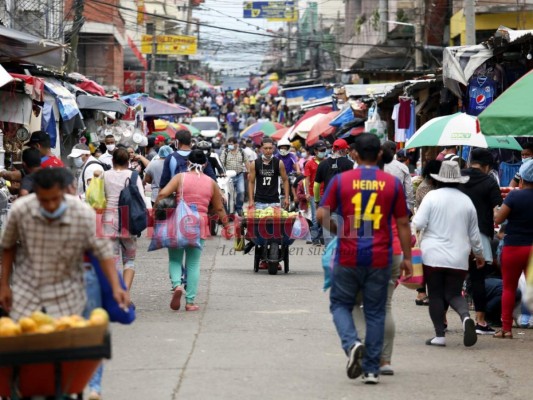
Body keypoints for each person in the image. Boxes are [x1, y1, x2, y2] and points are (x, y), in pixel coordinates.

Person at [317, 133, 413, 385]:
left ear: (354, 155)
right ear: (380, 155)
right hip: (381, 256)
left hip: (348, 254)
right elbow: (403, 222)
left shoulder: (340, 181)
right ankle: (372, 369)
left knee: (340, 304)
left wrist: (340, 230)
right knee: (376, 311)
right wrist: (406, 257)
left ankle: (352, 344)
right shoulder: (391, 184)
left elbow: (320, 214)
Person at [0, 167, 129, 320]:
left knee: (67, 335)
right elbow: (8, 246)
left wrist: (116, 286)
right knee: (28, 337)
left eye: (55, 199)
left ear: (64, 192)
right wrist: (4, 285)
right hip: (27, 289)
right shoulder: (20, 210)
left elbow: (103, 252)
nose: (51, 205)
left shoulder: (82, 213)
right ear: (36, 195)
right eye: (44, 200)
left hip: (68, 292)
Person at [412, 160, 484, 348]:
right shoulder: (466, 201)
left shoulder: (432, 197)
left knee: (435, 294)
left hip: (432, 255)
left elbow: (418, 224)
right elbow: (474, 234)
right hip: (458, 256)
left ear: (439, 179)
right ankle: (465, 317)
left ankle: (439, 336)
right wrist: (479, 255)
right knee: (453, 293)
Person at [156, 150, 230, 312]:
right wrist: (227, 226)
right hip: (200, 222)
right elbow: (218, 207)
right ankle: (190, 302)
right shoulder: (211, 183)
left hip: (179, 221)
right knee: (193, 263)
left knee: (175, 260)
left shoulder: (179, 177)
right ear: (205, 164)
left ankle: (176, 285)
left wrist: (156, 210)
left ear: (188, 162)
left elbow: (162, 193)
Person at [459, 148, 503, 335]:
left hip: (456, 233)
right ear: (486, 167)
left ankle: (442, 320)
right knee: (478, 279)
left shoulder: (458, 177)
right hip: (481, 234)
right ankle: (480, 321)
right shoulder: (489, 181)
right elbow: (497, 210)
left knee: (451, 277)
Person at [494, 160, 533, 339]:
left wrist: (495, 211)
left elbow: (499, 220)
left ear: (522, 180)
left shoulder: (514, 197)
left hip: (514, 247)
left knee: (509, 288)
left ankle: (506, 329)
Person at [102, 147, 144, 292]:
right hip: (128, 221)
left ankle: (115, 293)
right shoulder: (134, 176)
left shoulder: (104, 175)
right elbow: (142, 200)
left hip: (108, 222)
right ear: (128, 161)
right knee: (129, 260)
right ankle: (124, 293)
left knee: (112, 261)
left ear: (112, 160)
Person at [314, 139, 354, 247]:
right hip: (345, 204)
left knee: (328, 239)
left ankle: (329, 259)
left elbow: (316, 185)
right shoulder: (350, 164)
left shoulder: (322, 164)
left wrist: (317, 201)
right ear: (345, 150)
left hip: (327, 203)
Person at [248, 137, 290, 210]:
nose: (268, 150)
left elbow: (285, 180)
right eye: (266, 148)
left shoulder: (279, 163)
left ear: (273, 149)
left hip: (274, 201)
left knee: (275, 222)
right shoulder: (255, 163)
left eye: (270, 148)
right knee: (260, 221)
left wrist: (286, 198)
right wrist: (251, 200)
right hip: (259, 202)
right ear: (261, 149)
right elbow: (251, 182)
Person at [304, 141, 327, 246]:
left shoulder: (327, 162)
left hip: (326, 193)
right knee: (315, 217)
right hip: (314, 194)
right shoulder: (309, 163)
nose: (323, 152)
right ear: (315, 151)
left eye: (324, 150)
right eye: (321, 150)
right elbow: (307, 179)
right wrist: (307, 193)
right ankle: (315, 238)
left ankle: (322, 236)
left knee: (324, 216)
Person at [382, 141, 415, 213]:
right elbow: (409, 190)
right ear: (395, 151)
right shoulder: (403, 167)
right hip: (397, 205)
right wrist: (410, 208)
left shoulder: (376, 165)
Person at [220, 137, 247, 215]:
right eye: (229, 144)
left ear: (236, 144)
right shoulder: (225, 152)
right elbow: (221, 163)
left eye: (231, 144)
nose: (230, 145)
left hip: (239, 175)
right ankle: (229, 210)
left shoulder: (241, 151)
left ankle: (239, 208)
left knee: (241, 192)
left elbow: (246, 162)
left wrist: (249, 172)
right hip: (228, 177)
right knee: (229, 194)